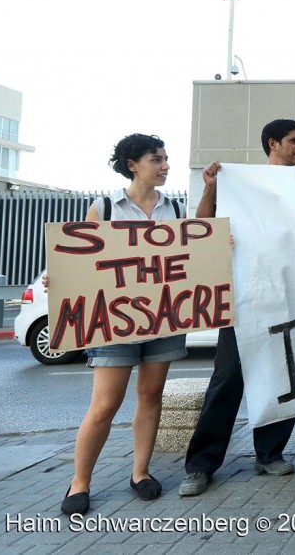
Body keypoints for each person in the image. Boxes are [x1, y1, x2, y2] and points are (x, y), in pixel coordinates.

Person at [179, 119, 295, 497]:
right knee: (227, 380)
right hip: (245, 298)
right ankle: (201, 464)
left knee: (282, 379)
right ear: (273, 144)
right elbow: (203, 225)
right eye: (294, 141)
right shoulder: (240, 183)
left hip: (287, 297)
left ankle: (270, 453)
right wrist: (210, 187)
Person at [58, 134, 186, 516]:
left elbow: (188, 258)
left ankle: (141, 473)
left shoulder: (176, 210)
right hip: (115, 321)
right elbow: (81, 260)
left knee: (151, 395)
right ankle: (80, 482)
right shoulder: (105, 209)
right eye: (156, 159)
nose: (164, 166)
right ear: (133, 165)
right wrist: (60, 278)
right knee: (105, 404)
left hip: (163, 317)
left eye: (166, 159)